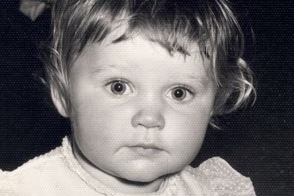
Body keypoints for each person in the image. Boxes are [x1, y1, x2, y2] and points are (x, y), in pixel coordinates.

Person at [0, 0, 256, 195]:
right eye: (119, 87)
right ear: (63, 93)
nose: (150, 118)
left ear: (216, 102)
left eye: (179, 93)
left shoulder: (207, 189)